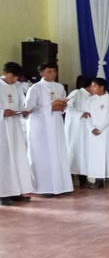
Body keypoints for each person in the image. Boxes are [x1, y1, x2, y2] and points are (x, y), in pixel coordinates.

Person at [25, 62, 73, 196]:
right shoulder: (35, 88)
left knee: (58, 152)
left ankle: (61, 186)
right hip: (40, 127)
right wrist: (49, 107)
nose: (53, 74)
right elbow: (28, 108)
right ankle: (44, 188)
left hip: (56, 124)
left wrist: (63, 106)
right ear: (42, 73)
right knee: (42, 155)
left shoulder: (59, 87)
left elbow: (64, 105)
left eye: (54, 71)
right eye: (49, 71)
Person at [0, 63, 33, 205]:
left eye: (17, 77)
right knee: (4, 160)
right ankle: (3, 194)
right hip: (2, 128)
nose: (14, 80)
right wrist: (2, 112)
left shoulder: (17, 86)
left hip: (15, 127)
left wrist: (24, 111)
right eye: (12, 76)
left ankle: (16, 192)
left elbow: (21, 103)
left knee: (18, 158)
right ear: (4, 73)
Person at [85, 78, 109, 189]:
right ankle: (98, 180)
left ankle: (108, 179)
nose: (91, 88)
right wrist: (91, 128)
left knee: (107, 154)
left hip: (106, 132)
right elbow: (87, 115)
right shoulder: (90, 100)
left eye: (94, 86)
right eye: (91, 86)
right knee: (95, 155)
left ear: (102, 87)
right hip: (93, 132)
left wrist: (101, 128)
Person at [65, 76, 93, 187]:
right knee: (74, 151)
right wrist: (80, 114)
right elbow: (67, 107)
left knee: (85, 152)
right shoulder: (76, 93)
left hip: (86, 128)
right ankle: (70, 179)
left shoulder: (92, 96)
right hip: (75, 128)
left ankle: (83, 179)